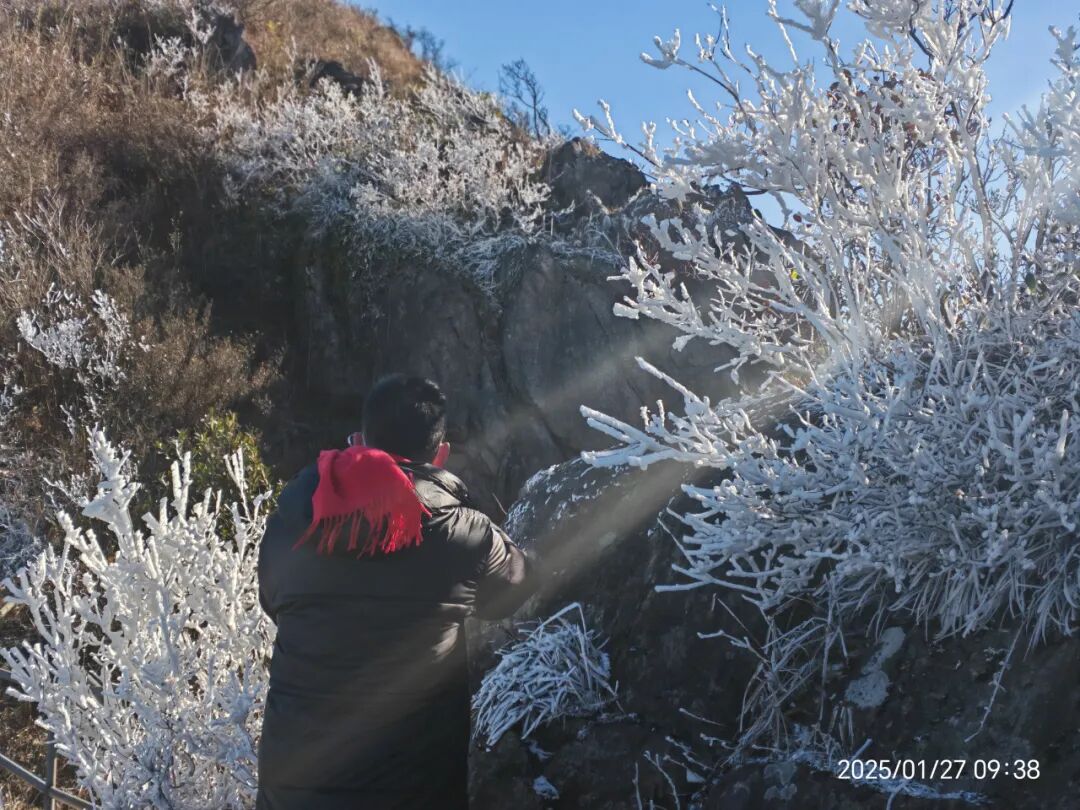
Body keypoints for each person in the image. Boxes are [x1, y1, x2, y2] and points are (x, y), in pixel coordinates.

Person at [256, 374, 538, 809]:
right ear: (440, 454)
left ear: (359, 438)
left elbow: (273, 601)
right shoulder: (465, 533)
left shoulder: (293, 518)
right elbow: (515, 588)